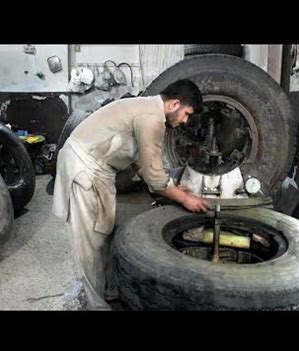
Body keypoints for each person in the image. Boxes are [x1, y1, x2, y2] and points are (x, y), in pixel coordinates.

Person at [52, 79, 208, 310]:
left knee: (105, 231)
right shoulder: (151, 118)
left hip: (100, 168)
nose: (185, 120)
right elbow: (155, 178)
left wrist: (173, 187)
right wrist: (184, 198)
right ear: (175, 104)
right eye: (187, 114)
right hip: (85, 166)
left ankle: (109, 289)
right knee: (89, 243)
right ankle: (96, 305)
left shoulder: (146, 109)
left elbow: (143, 163)